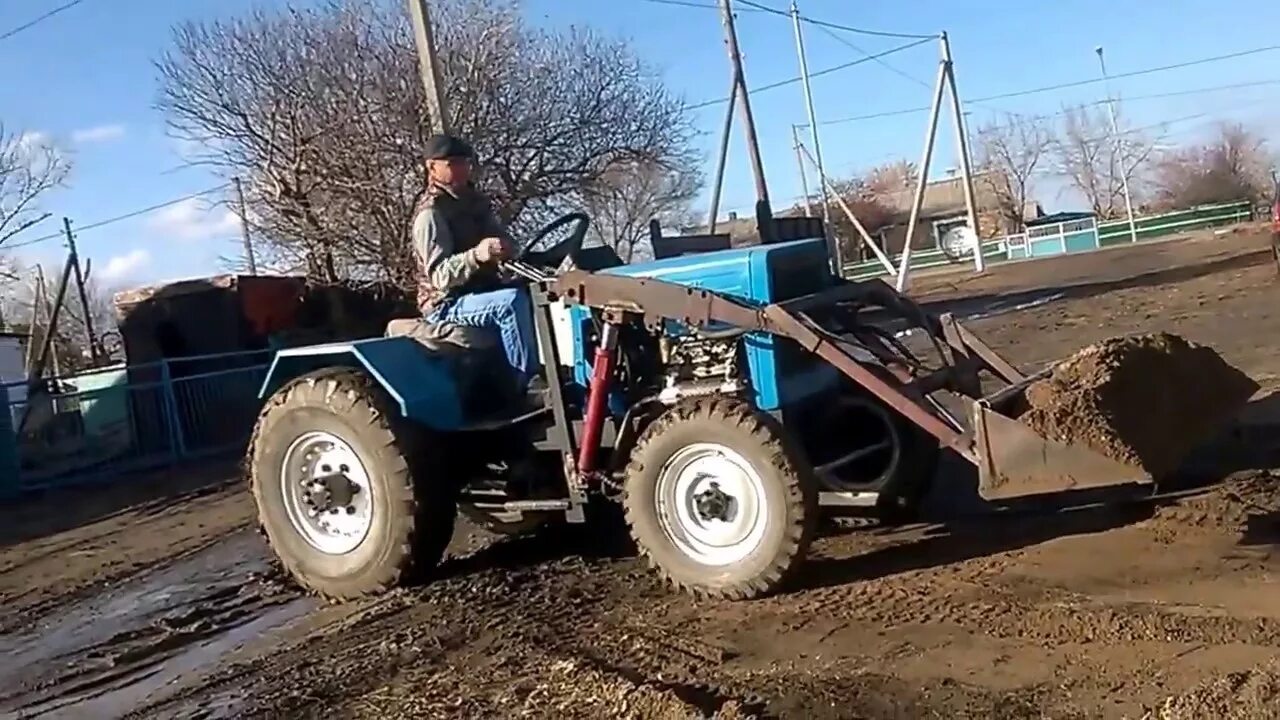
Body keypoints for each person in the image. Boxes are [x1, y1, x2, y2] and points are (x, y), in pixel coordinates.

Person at [412, 133, 539, 392]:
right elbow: (439, 277)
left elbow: (499, 239)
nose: (461, 169)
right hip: (446, 304)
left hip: (481, 292)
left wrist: (505, 248)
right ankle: (528, 388)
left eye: (464, 163)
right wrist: (476, 255)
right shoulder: (431, 213)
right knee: (510, 304)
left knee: (544, 292)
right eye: (452, 163)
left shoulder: (475, 204)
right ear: (431, 167)